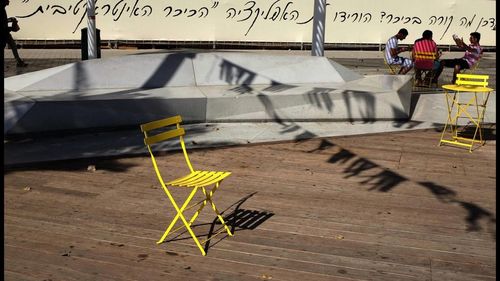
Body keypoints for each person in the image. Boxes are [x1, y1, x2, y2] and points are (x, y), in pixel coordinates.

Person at [1, 0, 27, 67]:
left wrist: (10, 20)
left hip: (5, 32)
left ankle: (19, 61)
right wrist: (10, 26)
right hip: (3, 33)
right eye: (7, 0)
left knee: (13, 46)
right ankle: (19, 61)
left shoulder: (3, 9)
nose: (9, 1)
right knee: (12, 46)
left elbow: (4, 21)